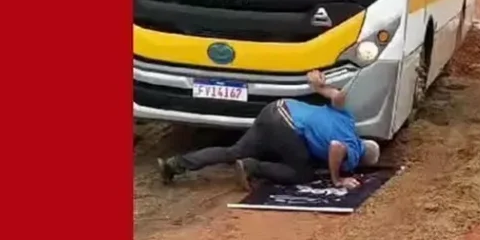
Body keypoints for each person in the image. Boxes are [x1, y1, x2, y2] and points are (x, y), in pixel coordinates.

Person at [157, 70, 381, 190]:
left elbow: (339, 97)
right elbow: (336, 147)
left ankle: (174, 165)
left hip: (277, 107)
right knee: (302, 173)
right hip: (287, 126)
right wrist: (337, 179)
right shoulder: (355, 152)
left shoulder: (348, 121)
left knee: (232, 151)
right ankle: (252, 167)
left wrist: (320, 88)